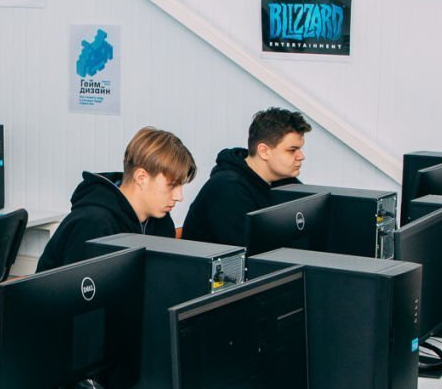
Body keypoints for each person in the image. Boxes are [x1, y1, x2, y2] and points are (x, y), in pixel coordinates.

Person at [34, 127, 196, 272]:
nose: (179, 197)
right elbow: (75, 292)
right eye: (171, 185)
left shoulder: (161, 220)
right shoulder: (93, 223)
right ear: (141, 177)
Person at [179, 107, 309, 246]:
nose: (301, 156)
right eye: (292, 150)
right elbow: (251, 251)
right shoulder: (227, 189)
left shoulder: (285, 181)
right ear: (264, 151)